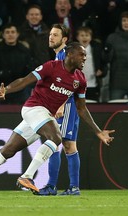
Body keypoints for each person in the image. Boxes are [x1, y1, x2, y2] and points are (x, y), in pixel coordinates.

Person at [0, 41, 115, 200]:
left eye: (86, 55)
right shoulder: (51, 67)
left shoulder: (80, 79)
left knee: (7, 151)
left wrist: (98, 131)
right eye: (81, 54)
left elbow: (81, 108)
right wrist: (7, 89)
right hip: (34, 109)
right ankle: (27, 175)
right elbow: (26, 80)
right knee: (56, 137)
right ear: (69, 54)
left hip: (43, 116)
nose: (84, 58)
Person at [36, 23, 81, 196]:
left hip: (67, 105)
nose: (51, 37)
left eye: (55, 35)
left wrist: (61, 104)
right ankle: (70, 187)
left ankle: (53, 186)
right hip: (64, 105)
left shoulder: (65, 56)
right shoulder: (59, 57)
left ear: (64, 39)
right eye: (50, 34)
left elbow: (71, 82)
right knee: (66, 145)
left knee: (59, 144)